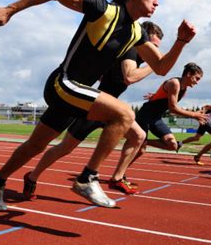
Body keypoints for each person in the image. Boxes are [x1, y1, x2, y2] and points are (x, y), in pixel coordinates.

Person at [0, 0, 196, 210]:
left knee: (36, 146)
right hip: (62, 83)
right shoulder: (103, 10)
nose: (157, 2)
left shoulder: (136, 33)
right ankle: (87, 178)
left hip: (77, 93)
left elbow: (161, 67)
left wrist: (181, 42)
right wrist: (10, 10)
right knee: (124, 114)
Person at [22, 21, 163, 200]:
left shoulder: (134, 55)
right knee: (65, 148)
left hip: (112, 110)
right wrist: (154, 65)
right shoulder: (132, 50)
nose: (155, 52)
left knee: (139, 137)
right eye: (154, 46)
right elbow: (130, 76)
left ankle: (117, 178)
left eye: (158, 48)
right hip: (95, 107)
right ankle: (32, 176)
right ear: (145, 39)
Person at [127, 63, 207, 174]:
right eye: (197, 78)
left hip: (156, 118)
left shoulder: (183, 90)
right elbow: (173, 109)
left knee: (172, 145)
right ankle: (121, 173)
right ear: (189, 74)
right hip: (145, 116)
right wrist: (194, 115)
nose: (197, 82)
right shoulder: (175, 83)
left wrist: (155, 96)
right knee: (141, 151)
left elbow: (168, 101)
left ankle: (144, 142)